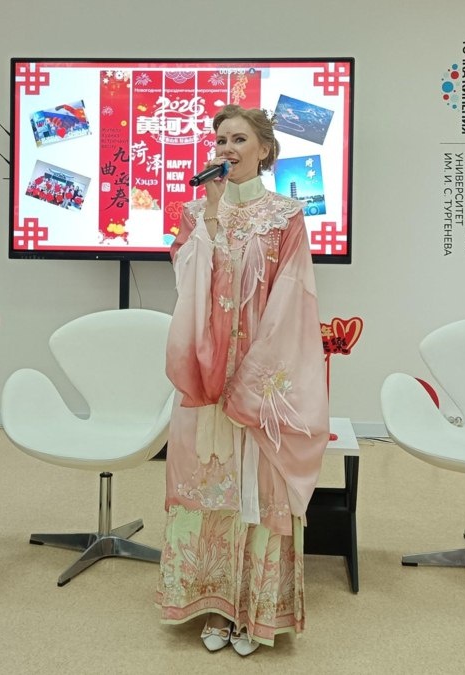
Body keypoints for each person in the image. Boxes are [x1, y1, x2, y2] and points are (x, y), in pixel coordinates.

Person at [156, 105, 329, 656]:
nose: (226, 149)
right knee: (210, 483)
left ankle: (255, 609)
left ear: (265, 150)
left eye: (238, 139)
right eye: (220, 140)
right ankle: (214, 603)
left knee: (258, 489)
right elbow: (189, 283)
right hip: (208, 372)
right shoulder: (195, 212)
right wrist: (210, 215)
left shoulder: (285, 215)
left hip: (261, 375)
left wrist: (255, 376)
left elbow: (292, 297)